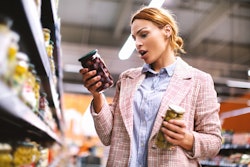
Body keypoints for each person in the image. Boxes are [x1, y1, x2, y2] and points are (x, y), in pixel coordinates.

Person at [79, 6, 222, 167]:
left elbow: (214, 142)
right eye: (134, 38)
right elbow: (107, 136)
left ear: (167, 31)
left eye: (144, 34)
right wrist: (97, 95)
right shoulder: (127, 79)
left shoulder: (198, 81)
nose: (137, 43)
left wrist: (187, 138)